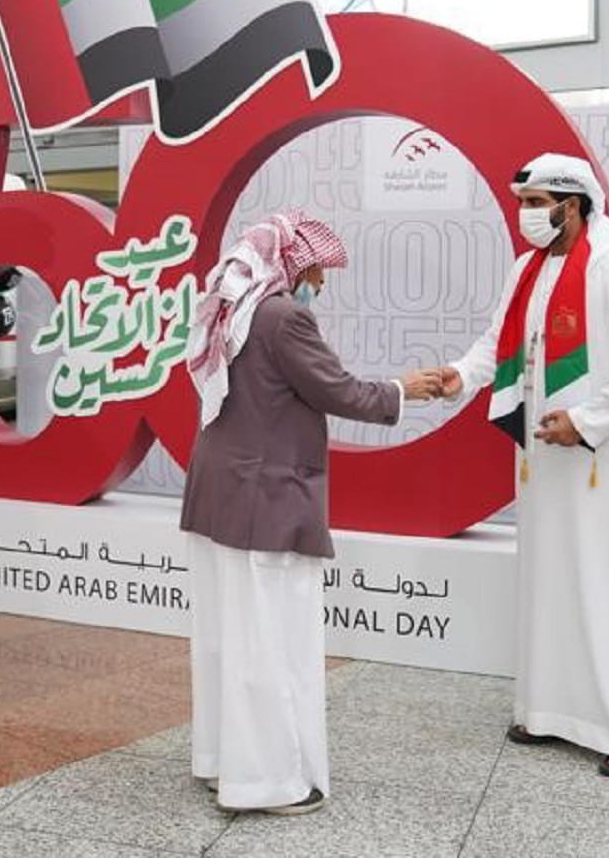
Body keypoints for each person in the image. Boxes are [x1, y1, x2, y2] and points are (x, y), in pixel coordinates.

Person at [181, 211, 440, 816]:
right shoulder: (283, 317)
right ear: (297, 262)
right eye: (319, 270)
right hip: (264, 501)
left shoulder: (235, 309)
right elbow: (338, 391)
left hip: (221, 495)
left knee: (228, 641)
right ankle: (267, 782)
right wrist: (404, 390)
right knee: (270, 644)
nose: (321, 284)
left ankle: (223, 764)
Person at [433, 153, 609, 779]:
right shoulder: (527, 268)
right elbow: (500, 343)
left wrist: (589, 421)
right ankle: (549, 712)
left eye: (538, 204)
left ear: (574, 206)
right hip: (545, 457)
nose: (526, 215)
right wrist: (458, 376)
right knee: (552, 582)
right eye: (523, 202)